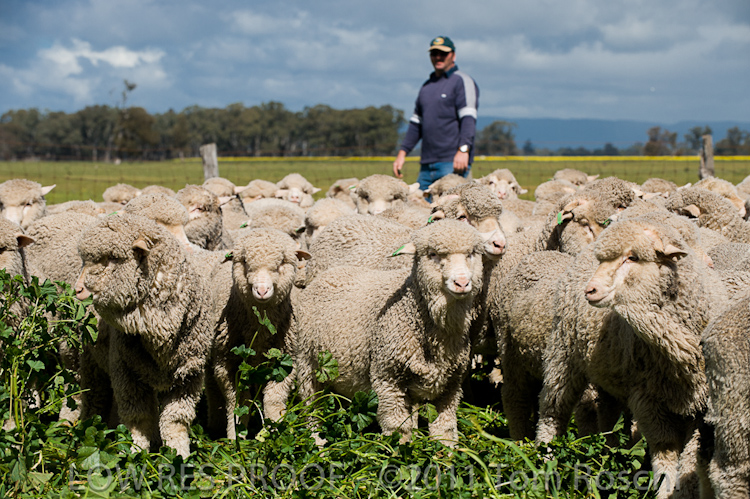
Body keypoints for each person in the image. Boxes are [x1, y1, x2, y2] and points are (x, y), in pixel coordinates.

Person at [393, 36, 479, 192]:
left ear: (453, 55)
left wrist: (463, 150)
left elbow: (468, 119)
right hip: (427, 165)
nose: (438, 57)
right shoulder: (426, 87)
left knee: (454, 205)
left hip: (453, 163)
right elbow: (416, 124)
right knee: (420, 204)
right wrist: (402, 153)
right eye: (434, 53)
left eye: (443, 53)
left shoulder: (462, 81)